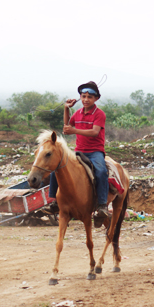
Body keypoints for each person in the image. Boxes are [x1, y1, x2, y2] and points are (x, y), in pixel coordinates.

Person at [49, 81, 109, 220]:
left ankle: (102, 205)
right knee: (56, 170)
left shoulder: (99, 114)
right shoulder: (77, 113)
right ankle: (53, 202)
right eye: (83, 96)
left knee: (101, 172)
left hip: (95, 152)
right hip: (78, 151)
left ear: (96, 99)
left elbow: (94, 132)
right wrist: (66, 108)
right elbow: (66, 126)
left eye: (89, 97)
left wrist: (74, 130)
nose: (86, 99)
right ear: (80, 98)